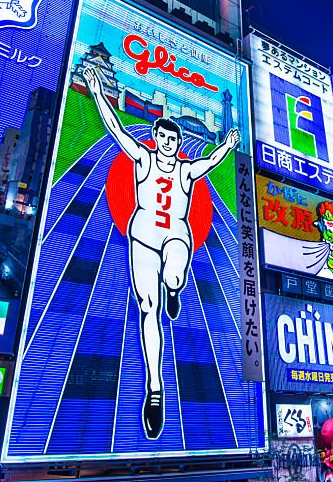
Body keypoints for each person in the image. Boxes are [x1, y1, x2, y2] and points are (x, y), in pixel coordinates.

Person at [82, 66, 240, 439]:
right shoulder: (143, 160)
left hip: (176, 236)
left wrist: (229, 146)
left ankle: (175, 287)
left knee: (174, 274)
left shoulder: (186, 170)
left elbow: (211, 162)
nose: (168, 143)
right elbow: (116, 130)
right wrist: (95, 90)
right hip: (143, 237)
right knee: (147, 310)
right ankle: (155, 390)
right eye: (164, 137)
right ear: (156, 137)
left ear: (179, 142)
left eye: (174, 139)